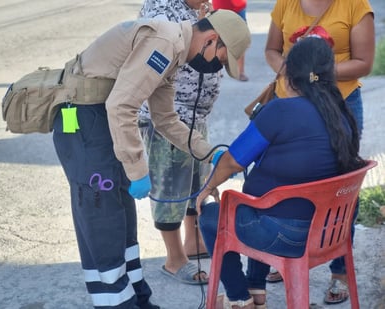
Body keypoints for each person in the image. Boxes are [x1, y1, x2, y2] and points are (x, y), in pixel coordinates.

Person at [52, 9, 250, 309]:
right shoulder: (164, 44)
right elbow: (121, 106)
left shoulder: (174, 52)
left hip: (100, 120)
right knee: (103, 219)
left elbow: (166, 120)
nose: (217, 67)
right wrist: (137, 170)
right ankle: (116, 303)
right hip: (81, 119)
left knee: (122, 219)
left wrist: (208, 151)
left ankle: (137, 299)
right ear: (211, 40)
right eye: (221, 59)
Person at [196, 37, 366, 309]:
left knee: (212, 214)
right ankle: (256, 288)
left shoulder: (279, 111)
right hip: (328, 232)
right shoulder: (342, 114)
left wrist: (206, 189)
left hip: (285, 236)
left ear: (288, 73)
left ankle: (240, 298)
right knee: (260, 200)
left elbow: (232, 162)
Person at [263, 0, 375, 304]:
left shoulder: (355, 5)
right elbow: (272, 49)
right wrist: (287, 72)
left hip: (341, 102)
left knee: (341, 184)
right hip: (288, 101)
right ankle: (282, 254)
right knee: (283, 179)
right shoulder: (285, 3)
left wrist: (314, 75)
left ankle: (339, 272)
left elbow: (364, 62)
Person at [138, 0, 226, 285]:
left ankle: (194, 241)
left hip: (196, 112)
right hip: (167, 117)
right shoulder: (161, 12)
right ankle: (174, 258)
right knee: (170, 188)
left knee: (194, 183)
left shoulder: (201, 6)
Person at [212, 0, 249, 81]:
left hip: (238, 6)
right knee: (217, 40)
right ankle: (216, 71)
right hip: (220, 7)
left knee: (240, 39)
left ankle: (241, 71)